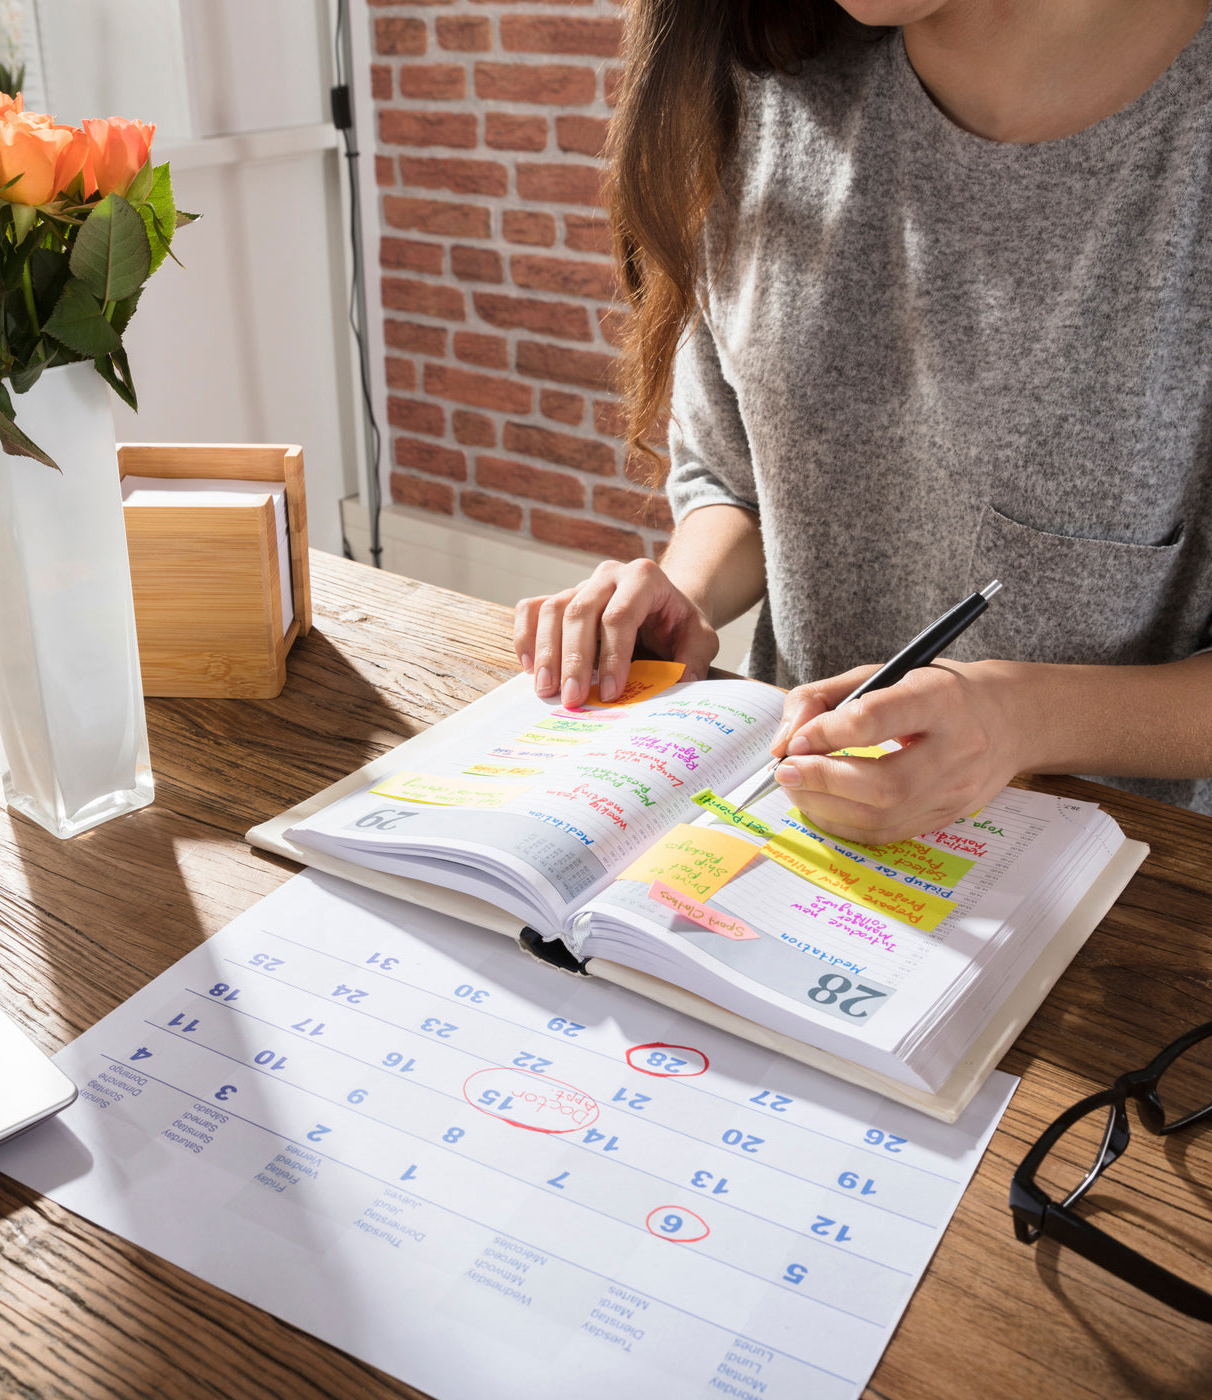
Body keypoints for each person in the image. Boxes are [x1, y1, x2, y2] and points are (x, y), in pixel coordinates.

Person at [514, 0, 1212, 844]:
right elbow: (738, 479)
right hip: (793, 843)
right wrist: (684, 598)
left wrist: (1022, 718)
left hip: (1129, 895)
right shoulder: (765, 86)